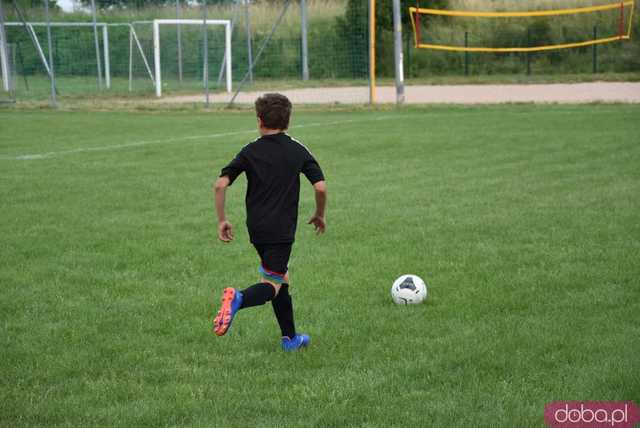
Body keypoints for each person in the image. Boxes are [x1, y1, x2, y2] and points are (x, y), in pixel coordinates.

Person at [212, 93, 327, 351]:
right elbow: (320, 187)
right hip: (281, 230)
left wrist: (222, 220)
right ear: (288, 120)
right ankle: (238, 298)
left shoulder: (250, 150)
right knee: (272, 285)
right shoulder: (297, 149)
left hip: (257, 228)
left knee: (280, 278)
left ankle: (290, 339)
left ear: (259, 120)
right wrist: (320, 214)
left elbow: (220, 184)